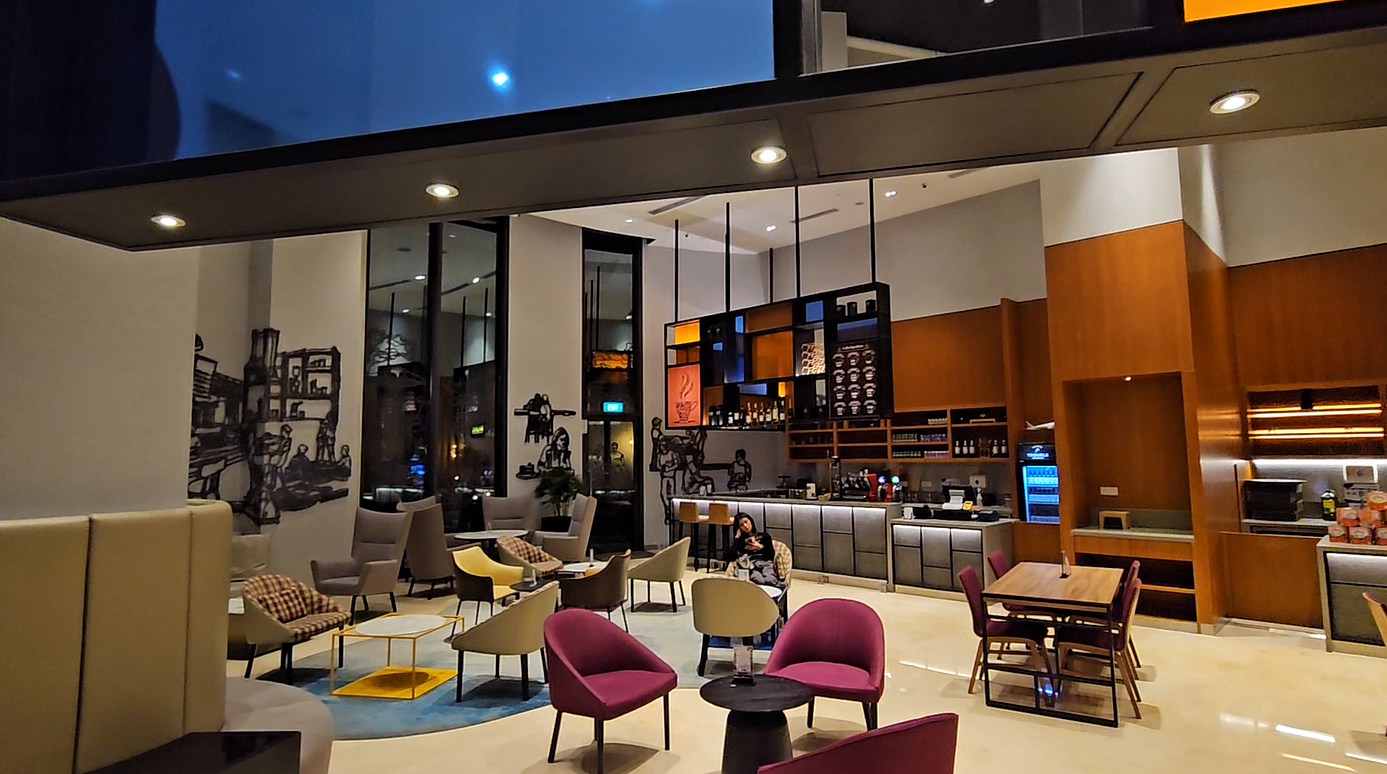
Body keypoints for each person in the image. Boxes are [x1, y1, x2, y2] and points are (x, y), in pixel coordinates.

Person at [729, 513, 782, 588]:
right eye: (741, 525)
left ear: (751, 521)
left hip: (765, 563)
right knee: (759, 580)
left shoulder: (764, 536)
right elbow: (731, 557)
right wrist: (737, 537)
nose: (745, 526)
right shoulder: (741, 541)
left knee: (770, 580)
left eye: (746, 522)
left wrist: (759, 547)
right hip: (751, 566)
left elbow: (770, 556)